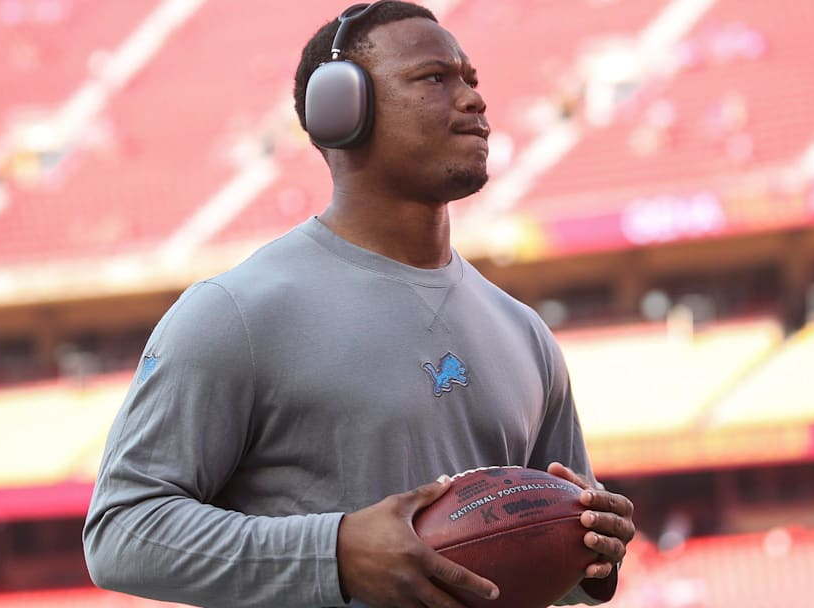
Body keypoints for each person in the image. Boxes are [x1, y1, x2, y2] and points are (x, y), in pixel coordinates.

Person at [82, 2, 635, 607]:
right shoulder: (233, 314)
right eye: (435, 78)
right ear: (342, 109)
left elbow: (547, 553)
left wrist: (590, 554)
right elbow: (122, 532)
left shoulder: (523, 330)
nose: (474, 100)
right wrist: (336, 551)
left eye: (471, 80)